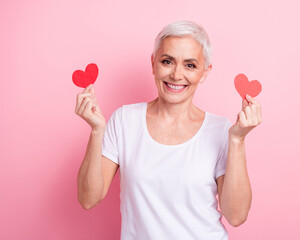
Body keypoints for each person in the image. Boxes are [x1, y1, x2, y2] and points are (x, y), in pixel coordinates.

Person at [75, 20, 262, 240]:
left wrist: (238, 140)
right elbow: (88, 198)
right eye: (167, 61)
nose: (176, 75)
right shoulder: (124, 120)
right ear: (153, 63)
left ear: (204, 72)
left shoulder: (221, 130)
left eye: (190, 65)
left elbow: (236, 216)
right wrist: (97, 131)